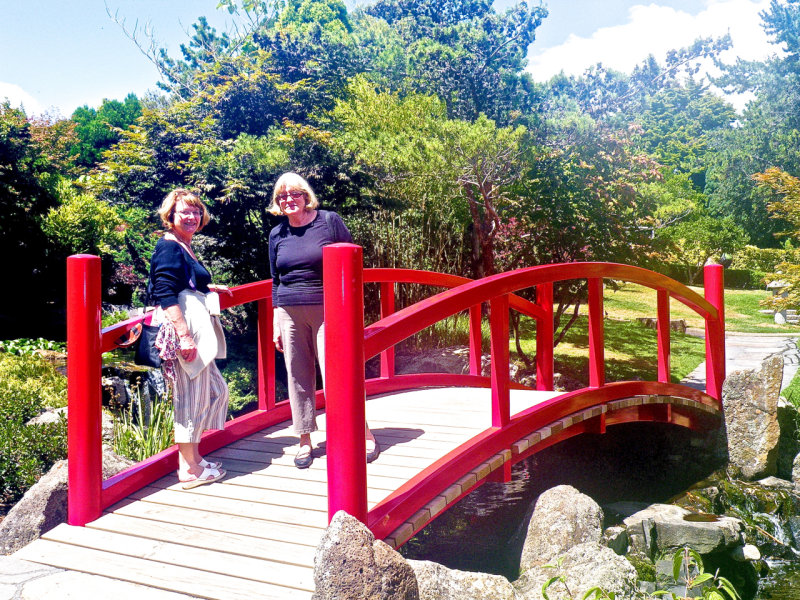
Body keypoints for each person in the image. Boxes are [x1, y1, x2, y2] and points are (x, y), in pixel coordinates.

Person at [268, 172, 379, 469]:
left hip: (328, 309)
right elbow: (276, 280)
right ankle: (304, 440)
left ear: (306, 195)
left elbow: (353, 262)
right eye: (282, 197)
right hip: (290, 310)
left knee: (338, 374)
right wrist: (277, 319)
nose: (289, 200)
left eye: (294, 194)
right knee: (297, 375)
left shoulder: (328, 221)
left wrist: (352, 310)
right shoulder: (277, 234)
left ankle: (361, 434)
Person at [148, 188, 233, 489]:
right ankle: (189, 470)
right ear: (171, 216)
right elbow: (164, 291)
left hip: (194, 330)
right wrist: (184, 337)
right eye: (185, 211)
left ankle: (195, 459)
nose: (192, 217)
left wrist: (210, 287)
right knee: (190, 399)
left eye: (196, 211)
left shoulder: (184, 246)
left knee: (214, 391)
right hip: (183, 334)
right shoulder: (169, 246)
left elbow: (187, 281)